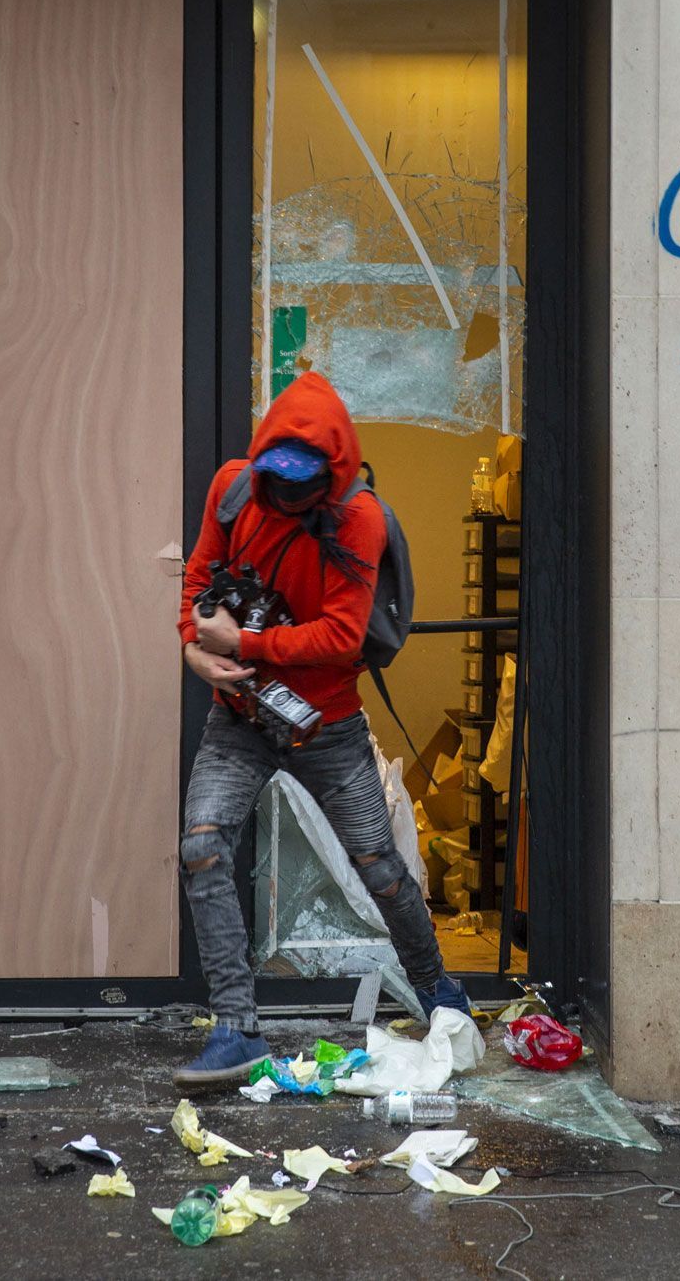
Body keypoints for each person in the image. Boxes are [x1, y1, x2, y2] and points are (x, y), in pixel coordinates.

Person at [172, 371, 471, 1086]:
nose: (288, 493)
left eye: (305, 484)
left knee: (380, 870)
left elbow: (340, 637)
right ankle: (236, 1029)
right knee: (202, 850)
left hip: (327, 724)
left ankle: (440, 998)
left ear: (332, 476)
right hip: (240, 716)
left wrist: (239, 647)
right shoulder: (234, 488)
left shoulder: (358, 519)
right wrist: (192, 648)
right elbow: (198, 584)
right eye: (279, 477)